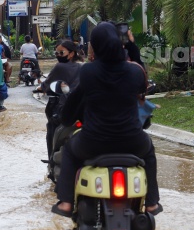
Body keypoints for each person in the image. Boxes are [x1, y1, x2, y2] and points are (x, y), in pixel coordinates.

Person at [51, 22, 162, 218]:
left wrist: (66, 117)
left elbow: (70, 111)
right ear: (119, 43)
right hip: (132, 142)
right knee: (150, 152)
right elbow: (141, 74)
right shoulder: (135, 72)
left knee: (68, 151)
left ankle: (66, 203)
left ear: (95, 46)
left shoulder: (88, 72)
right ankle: (152, 204)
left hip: (93, 142)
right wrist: (130, 46)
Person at [36, 40, 82, 170]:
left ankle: (52, 160)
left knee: (52, 127)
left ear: (71, 53)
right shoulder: (82, 67)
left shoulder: (59, 67)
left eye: (61, 52)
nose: (58, 55)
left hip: (64, 108)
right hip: (82, 109)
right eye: (56, 52)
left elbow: (45, 85)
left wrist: (41, 88)